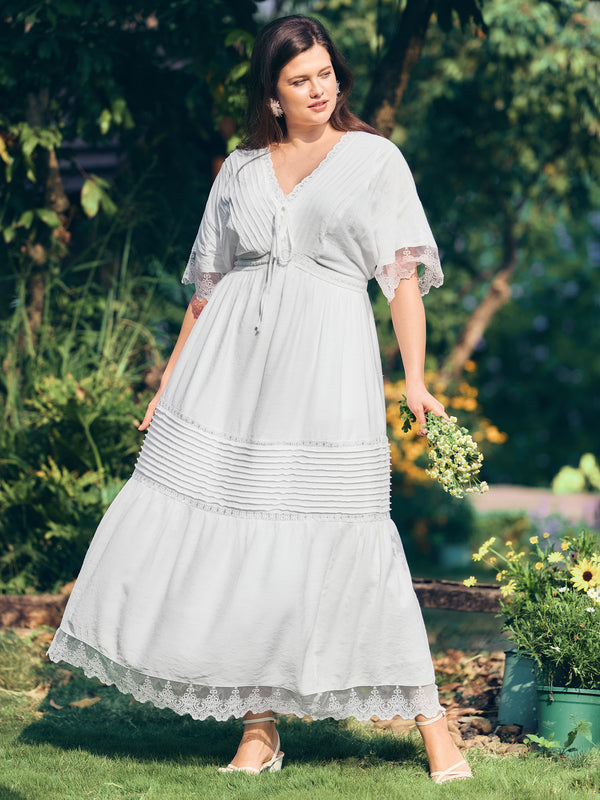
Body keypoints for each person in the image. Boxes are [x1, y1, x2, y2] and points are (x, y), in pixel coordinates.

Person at [47, 14, 472, 785]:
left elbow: (402, 280)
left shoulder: (375, 159)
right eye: (299, 80)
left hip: (328, 368)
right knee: (236, 535)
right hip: (229, 376)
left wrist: (415, 380)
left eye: (326, 73)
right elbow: (205, 292)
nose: (319, 89)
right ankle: (258, 729)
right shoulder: (239, 171)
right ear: (272, 96)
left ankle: (434, 725)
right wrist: (169, 383)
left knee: (350, 532)